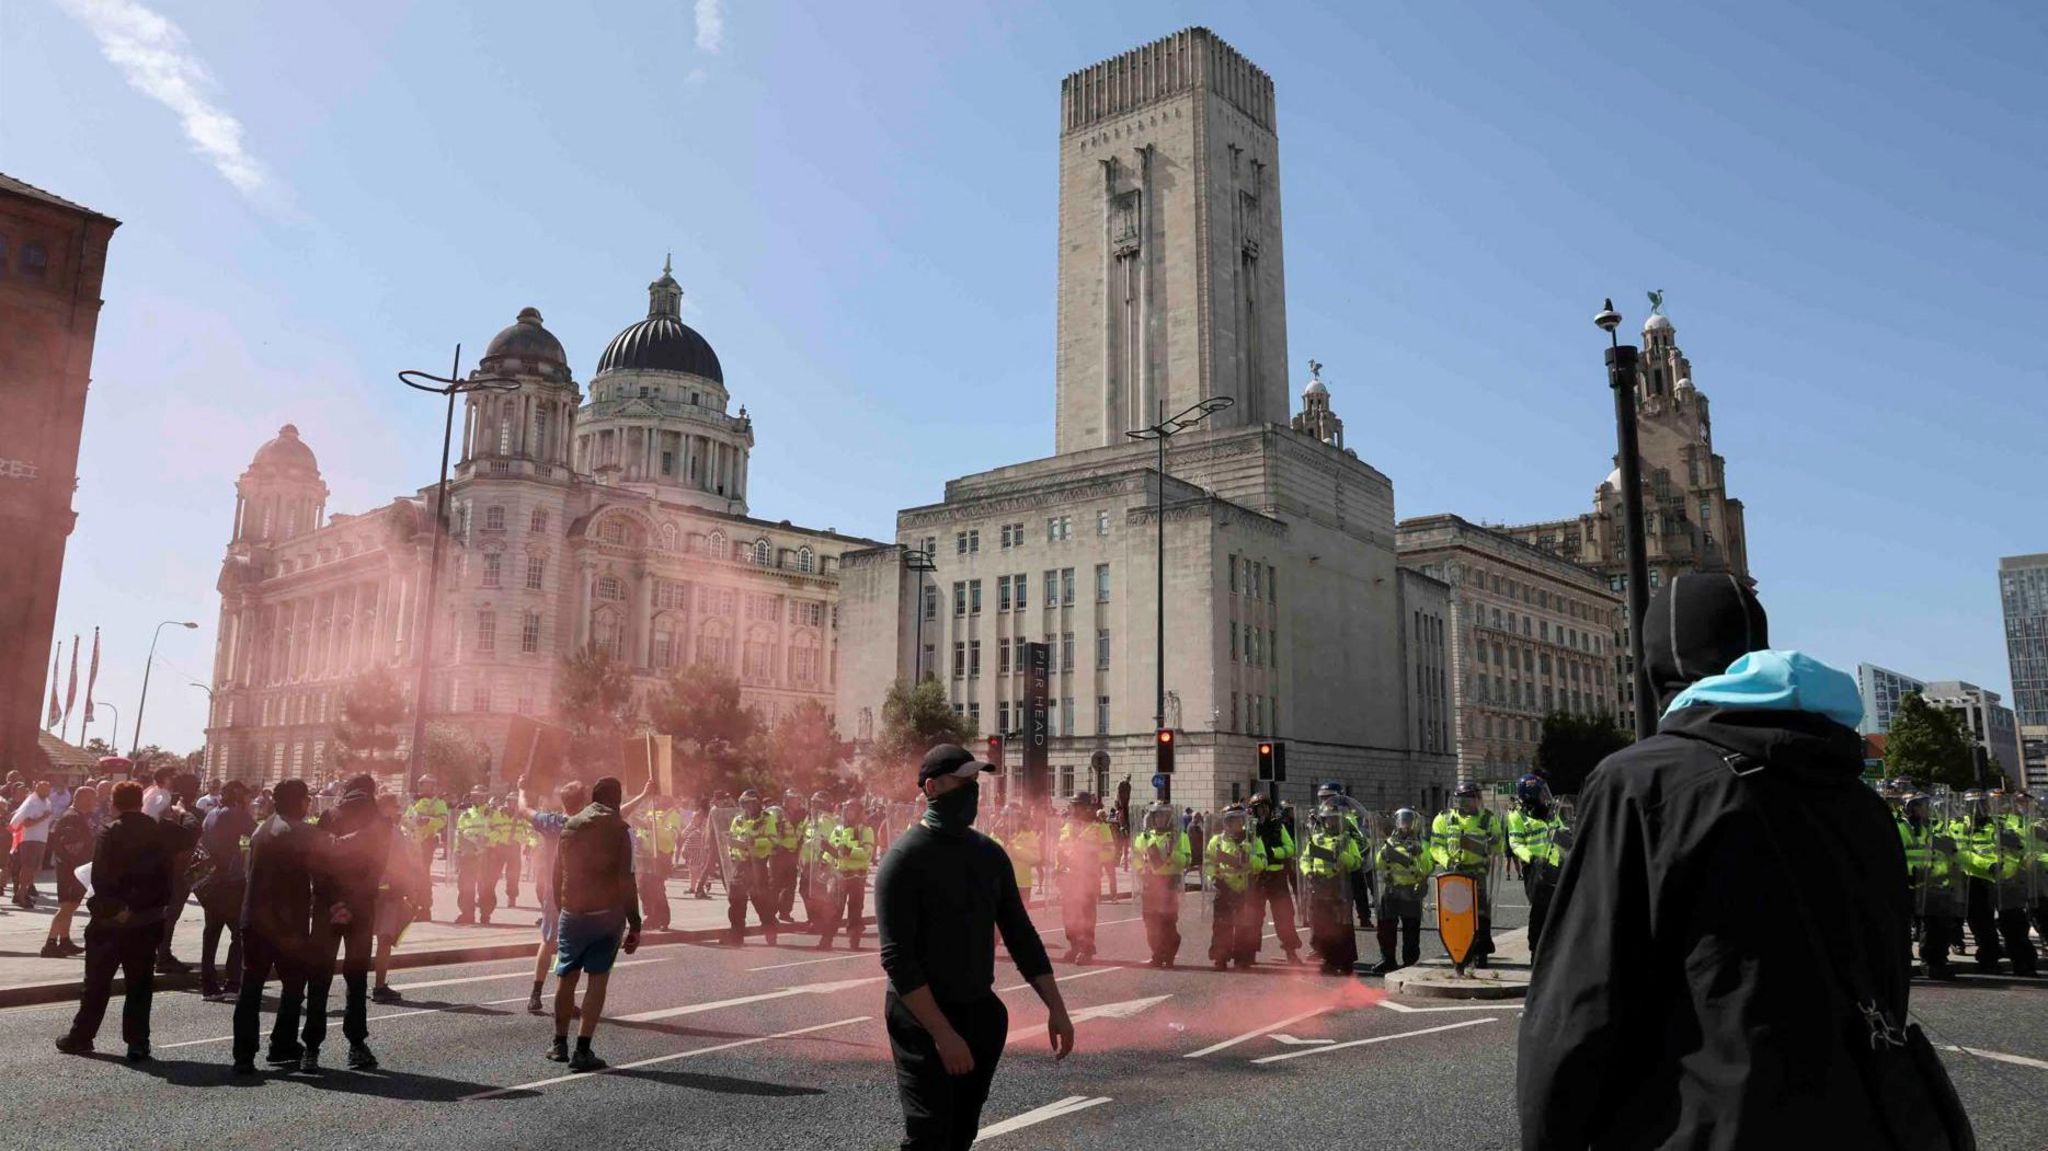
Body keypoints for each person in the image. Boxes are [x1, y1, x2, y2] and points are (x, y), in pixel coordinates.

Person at [1519, 576, 1946, 1149]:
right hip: (1863, 1116)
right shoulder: (1859, 797)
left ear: (1654, 675)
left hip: (1705, 1123)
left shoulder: (1643, 782)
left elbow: (1582, 999)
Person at [877, 745, 1074, 1149]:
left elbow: (1021, 936)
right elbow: (899, 960)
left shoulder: (989, 855)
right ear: (931, 788)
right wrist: (943, 1035)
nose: (971, 791)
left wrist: (1056, 1006)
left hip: (977, 1012)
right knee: (929, 1131)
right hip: (920, 1018)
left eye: (975, 782)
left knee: (962, 1131)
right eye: (961, 782)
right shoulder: (903, 860)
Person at [56, 780, 174, 1061]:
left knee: (97, 983)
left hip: (112, 922)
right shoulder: (158, 832)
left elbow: (102, 877)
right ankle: (137, 1042)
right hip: (147, 920)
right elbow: (165, 877)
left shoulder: (110, 832)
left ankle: (82, 1036)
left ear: (115, 802)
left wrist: (116, 908)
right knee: (140, 984)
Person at [548, 776, 642, 1072]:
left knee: (566, 976)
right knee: (597, 980)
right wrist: (635, 922)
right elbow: (626, 879)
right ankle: (583, 1050)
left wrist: (562, 906)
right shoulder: (620, 830)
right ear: (617, 799)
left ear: (592, 798)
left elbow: (557, 871)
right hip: (606, 914)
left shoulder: (571, 824)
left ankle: (558, 1044)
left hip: (571, 912)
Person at [231, 778, 323, 1074]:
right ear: (300, 802)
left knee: (251, 988)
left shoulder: (262, 829)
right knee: (294, 985)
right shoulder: (302, 832)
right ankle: (282, 1044)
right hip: (286, 926)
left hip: (253, 919)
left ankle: (243, 1055)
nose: (309, 804)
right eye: (307, 799)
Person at [304, 774, 391, 1070]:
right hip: (361, 908)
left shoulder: (329, 815)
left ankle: (311, 1049)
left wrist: (331, 901)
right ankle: (356, 1045)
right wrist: (353, 902)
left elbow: (316, 862)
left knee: (319, 976)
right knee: (356, 978)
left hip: (328, 907)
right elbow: (377, 869)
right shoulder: (381, 823)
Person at [1430, 781, 1503, 966]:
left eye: (1476, 798)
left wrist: (1492, 843)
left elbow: (1499, 846)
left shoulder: (1488, 818)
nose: (1475, 802)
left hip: (1478, 872)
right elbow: (1436, 847)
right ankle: (1460, 952)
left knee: (1481, 914)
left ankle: (1481, 952)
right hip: (1454, 873)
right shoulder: (1444, 819)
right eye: (1472, 798)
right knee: (1457, 914)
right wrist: (1447, 860)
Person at [196, 780, 256, 999]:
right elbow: (256, 836)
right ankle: (232, 984)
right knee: (239, 934)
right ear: (240, 797)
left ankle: (208, 986)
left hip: (210, 881)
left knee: (211, 932)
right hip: (231, 881)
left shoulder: (211, 814)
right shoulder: (237, 814)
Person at [1901, 792, 1961, 981]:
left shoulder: (1932, 827)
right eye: (1923, 806)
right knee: (1905, 927)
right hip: (1908, 882)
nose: (1927, 809)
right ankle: (1909, 963)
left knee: (1936, 925)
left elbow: (1939, 854)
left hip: (1932, 882)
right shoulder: (1901, 827)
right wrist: (1911, 872)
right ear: (1912, 808)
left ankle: (1935, 962)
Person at [370, 792, 423, 1002]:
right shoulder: (393, 832)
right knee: (385, 939)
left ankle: (355, 985)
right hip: (390, 892)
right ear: (386, 808)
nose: (398, 810)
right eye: (395, 806)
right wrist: (412, 891)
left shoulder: (368, 830)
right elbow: (402, 865)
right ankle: (380, 986)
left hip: (367, 892)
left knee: (363, 939)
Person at [1506, 774, 1568, 954]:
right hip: (1535, 869)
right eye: (1541, 793)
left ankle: (1554, 949)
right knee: (1539, 910)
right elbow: (1516, 843)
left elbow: (1561, 832)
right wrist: (1532, 858)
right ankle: (1536, 951)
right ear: (1531, 794)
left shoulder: (1549, 812)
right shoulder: (1517, 816)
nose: (1545, 796)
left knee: (1556, 909)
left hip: (1555, 866)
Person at [1299, 801, 1362, 974]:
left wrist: (1342, 856)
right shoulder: (1316, 839)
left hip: (1340, 885)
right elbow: (1305, 859)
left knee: (1343, 925)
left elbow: (1357, 862)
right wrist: (1308, 871)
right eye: (1328, 820)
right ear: (1323, 821)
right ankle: (1329, 960)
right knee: (1323, 926)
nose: (1331, 823)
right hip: (1319, 886)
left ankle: (1346, 961)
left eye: (1335, 820)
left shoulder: (1347, 840)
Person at [1368, 808, 1430, 976]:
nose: (1405, 826)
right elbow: (1378, 863)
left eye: (1408, 822)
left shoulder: (1421, 844)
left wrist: (1419, 855)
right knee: (1386, 928)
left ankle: (1409, 961)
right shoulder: (1390, 842)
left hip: (1410, 891)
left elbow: (1427, 867)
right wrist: (1384, 851)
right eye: (1402, 822)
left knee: (1411, 929)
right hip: (1391, 891)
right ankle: (1388, 959)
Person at [154, 774, 205, 974]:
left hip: (165, 869)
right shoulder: (188, 814)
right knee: (170, 915)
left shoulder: (163, 808)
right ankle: (163, 955)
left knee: (163, 915)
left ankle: (159, 952)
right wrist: (184, 812)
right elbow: (193, 832)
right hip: (178, 870)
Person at [1203, 805, 1265, 969]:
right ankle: (1220, 958)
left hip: (1245, 888)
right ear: (1226, 823)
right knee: (1221, 925)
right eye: (1233, 821)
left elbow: (1262, 863)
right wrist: (1214, 876)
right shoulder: (1217, 841)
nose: (1237, 825)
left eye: (1240, 821)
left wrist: (1249, 860)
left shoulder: (1253, 839)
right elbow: (1208, 863)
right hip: (1224, 887)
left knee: (1244, 926)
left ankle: (1243, 959)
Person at [1245, 794, 1303, 964]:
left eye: (1265, 808)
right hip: (1257, 877)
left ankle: (1291, 952)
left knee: (1284, 915)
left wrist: (1274, 852)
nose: (1262, 811)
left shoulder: (1278, 825)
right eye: (1258, 808)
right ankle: (1249, 954)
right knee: (1254, 917)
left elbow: (1290, 848)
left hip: (1277, 876)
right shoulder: (1249, 828)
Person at [1054, 794, 1112, 964]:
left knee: (1086, 914)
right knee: (1069, 914)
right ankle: (1074, 946)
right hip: (1068, 877)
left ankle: (1086, 949)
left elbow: (1110, 852)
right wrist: (1058, 869)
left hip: (1088, 877)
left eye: (1076, 806)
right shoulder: (1067, 826)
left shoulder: (1100, 827)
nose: (1073, 809)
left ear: (1086, 808)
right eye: (1073, 806)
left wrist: (1090, 858)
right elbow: (1061, 849)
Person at [1131, 802, 1189, 968]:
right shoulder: (1144, 838)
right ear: (1152, 818)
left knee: (1168, 922)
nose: (1160, 820)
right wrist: (1142, 869)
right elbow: (1135, 858)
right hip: (1150, 884)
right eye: (1157, 816)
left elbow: (1186, 860)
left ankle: (1169, 955)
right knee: (1151, 923)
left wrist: (1172, 854)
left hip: (1169, 883)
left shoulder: (1179, 837)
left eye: (1164, 816)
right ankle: (1157, 953)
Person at [44, 784, 98, 957]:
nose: (94, 802)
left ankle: (65, 941)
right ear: (80, 798)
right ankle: (50, 944)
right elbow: (69, 846)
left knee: (71, 905)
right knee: (67, 906)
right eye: (91, 798)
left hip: (76, 869)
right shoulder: (72, 817)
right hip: (71, 870)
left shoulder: (79, 816)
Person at [816, 798, 875, 949]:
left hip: (857, 876)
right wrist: (825, 859)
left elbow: (867, 853)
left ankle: (854, 940)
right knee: (833, 910)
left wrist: (849, 851)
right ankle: (826, 940)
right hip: (839, 876)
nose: (850, 813)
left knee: (855, 911)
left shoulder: (865, 831)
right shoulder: (838, 829)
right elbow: (833, 850)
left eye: (853, 810)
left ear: (859, 812)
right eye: (847, 810)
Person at [725, 789, 779, 946]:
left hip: (758, 864)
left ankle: (770, 930)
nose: (748, 807)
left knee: (760, 900)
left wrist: (754, 843)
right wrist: (733, 846)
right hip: (741, 865)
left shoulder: (767, 819)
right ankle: (737, 934)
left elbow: (773, 840)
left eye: (751, 803)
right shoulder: (738, 820)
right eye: (745, 803)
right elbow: (731, 837)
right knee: (736, 900)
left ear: (757, 804)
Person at [8, 779, 53, 907]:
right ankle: (21, 894)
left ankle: (22, 894)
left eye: (47, 788)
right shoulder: (32, 803)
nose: (46, 791)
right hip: (30, 839)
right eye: (42, 788)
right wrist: (43, 817)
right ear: (36, 789)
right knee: (27, 867)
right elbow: (26, 823)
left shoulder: (47, 801)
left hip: (42, 838)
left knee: (34, 868)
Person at [453, 793, 496, 925]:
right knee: (465, 885)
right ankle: (467, 914)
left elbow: (498, 830)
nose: (478, 800)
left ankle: (485, 914)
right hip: (468, 854)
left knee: (485, 886)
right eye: (476, 797)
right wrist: (457, 851)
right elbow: (459, 834)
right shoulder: (465, 815)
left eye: (482, 797)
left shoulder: (492, 814)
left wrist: (489, 840)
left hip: (486, 853)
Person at [770, 790, 805, 925]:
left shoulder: (799, 815)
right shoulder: (777, 812)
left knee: (790, 885)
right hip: (779, 853)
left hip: (792, 853)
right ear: (787, 800)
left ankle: (785, 912)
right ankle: (770, 913)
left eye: (798, 799)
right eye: (795, 799)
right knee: (775, 884)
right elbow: (771, 830)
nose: (798, 802)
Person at [403, 782, 449, 881]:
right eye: (422, 785)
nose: (425, 788)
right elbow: (407, 818)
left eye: (428, 785)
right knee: (411, 870)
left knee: (423, 872)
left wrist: (428, 820)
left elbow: (443, 821)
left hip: (426, 840)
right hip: (411, 840)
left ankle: (425, 896)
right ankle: (413, 894)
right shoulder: (415, 802)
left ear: (433, 787)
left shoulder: (438, 803)